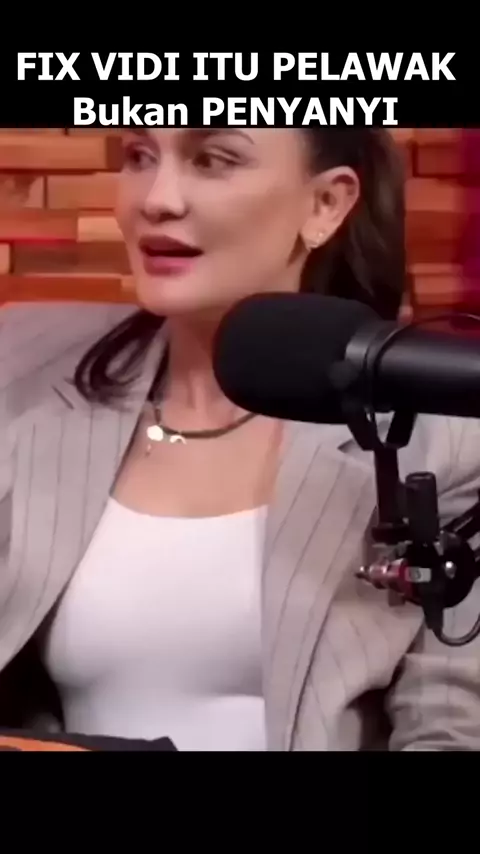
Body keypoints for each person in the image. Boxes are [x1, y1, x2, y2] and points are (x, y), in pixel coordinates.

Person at [1, 127, 480, 751]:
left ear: (325, 204)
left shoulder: (443, 437)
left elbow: (452, 729)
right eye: (140, 156)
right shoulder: (24, 359)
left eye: (213, 160)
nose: (157, 199)